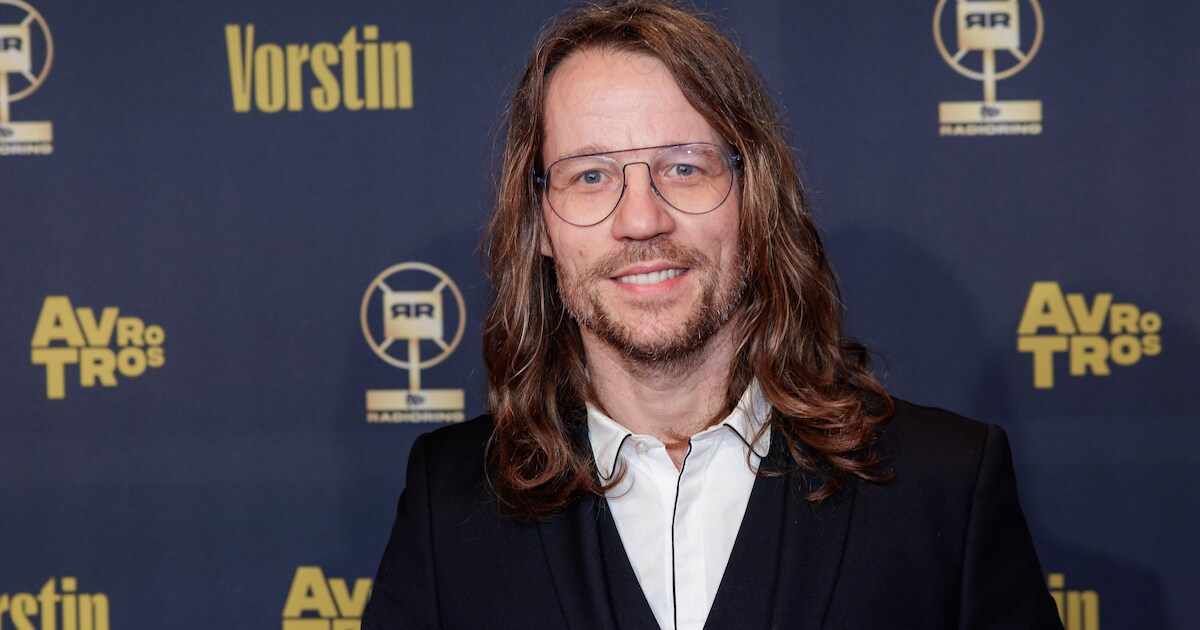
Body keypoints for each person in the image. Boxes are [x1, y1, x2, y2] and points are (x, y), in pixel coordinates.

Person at [363, 2, 1062, 628]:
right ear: (541, 222)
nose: (642, 219)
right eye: (591, 175)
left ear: (754, 198)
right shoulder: (447, 503)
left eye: (685, 167)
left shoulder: (944, 485)